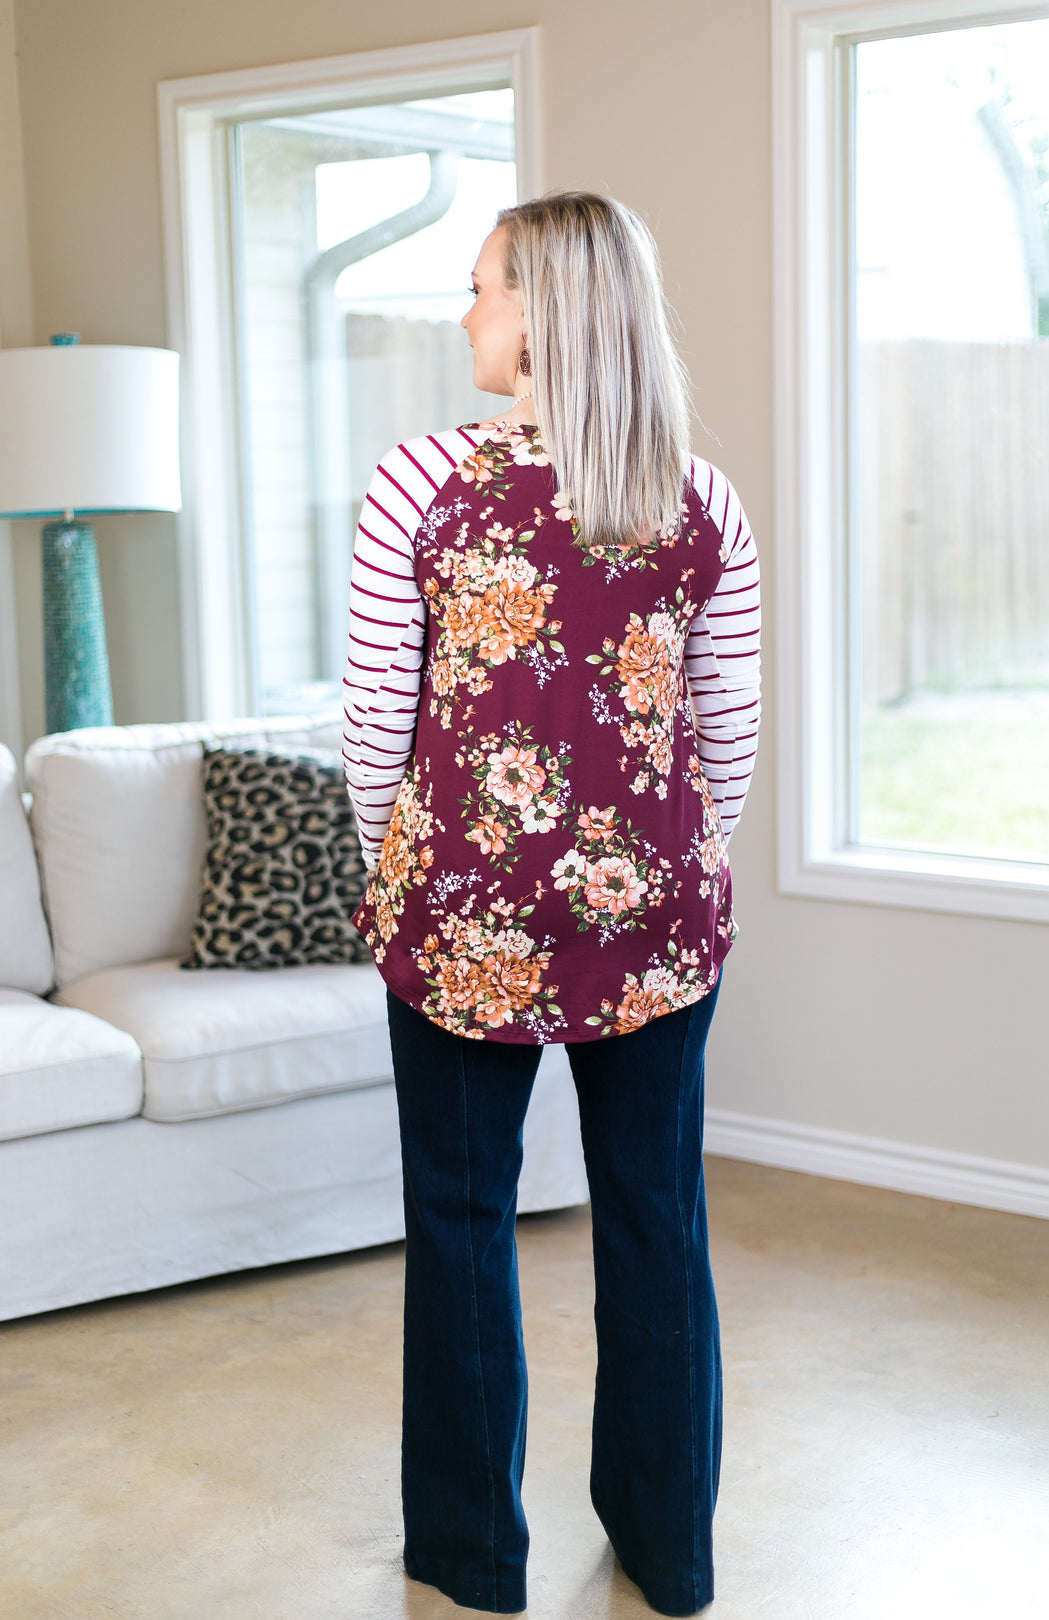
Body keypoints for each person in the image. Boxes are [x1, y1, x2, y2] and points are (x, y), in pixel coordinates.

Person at [342, 191, 761, 1617]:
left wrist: (393, 871)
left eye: (479, 289)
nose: (465, 314)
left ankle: (470, 1558)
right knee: (657, 1219)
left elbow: (374, 733)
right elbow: (728, 729)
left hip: (458, 922)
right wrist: (679, 884)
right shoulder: (700, 497)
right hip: (654, 923)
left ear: (543, 314)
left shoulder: (416, 484)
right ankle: (670, 1551)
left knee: (461, 1221)